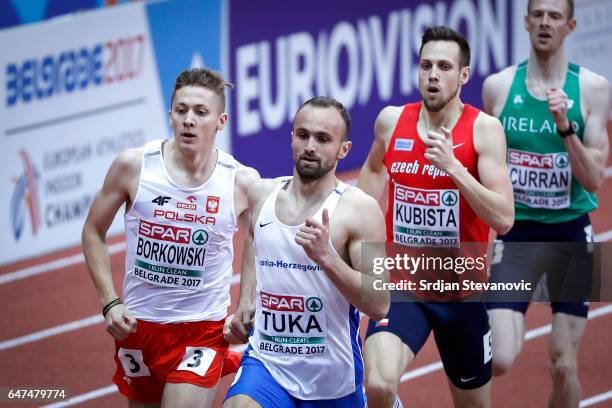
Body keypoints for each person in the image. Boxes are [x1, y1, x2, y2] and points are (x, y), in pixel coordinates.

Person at [82, 67, 259, 408]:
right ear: (170, 115)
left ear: (221, 121)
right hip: (139, 328)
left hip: (203, 331)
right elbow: (93, 230)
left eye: (200, 112)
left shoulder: (240, 181)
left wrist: (246, 303)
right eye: (181, 111)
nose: (189, 120)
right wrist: (110, 302)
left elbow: (258, 233)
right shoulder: (135, 167)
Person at [358, 26, 515, 408]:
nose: (432, 75)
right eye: (426, 65)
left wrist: (455, 169)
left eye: (444, 67)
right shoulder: (392, 122)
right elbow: (369, 183)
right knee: (378, 385)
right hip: (402, 288)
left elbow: (504, 218)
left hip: (461, 295)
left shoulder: (484, 131)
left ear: (463, 75)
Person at [222, 96, 390, 408]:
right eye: (303, 135)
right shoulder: (262, 194)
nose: (310, 146)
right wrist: (246, 299)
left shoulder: (359, 210)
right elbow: (253, 238)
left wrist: (327, 258)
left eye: (323, 139)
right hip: (268, 366)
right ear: (292, 138)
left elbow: (379, 303)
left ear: (344, 150)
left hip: (333, 380)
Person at [482, 0, 610, 406]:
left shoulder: (592, 88)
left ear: (570, 26)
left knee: (563, 363)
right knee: (498, 358)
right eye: (537, 14)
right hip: (516, 234)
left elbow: (594, 179)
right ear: (525, 21)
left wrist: (565, 128)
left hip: (571, 234)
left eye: (554, 16)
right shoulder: (499, 87)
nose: (544, 22)